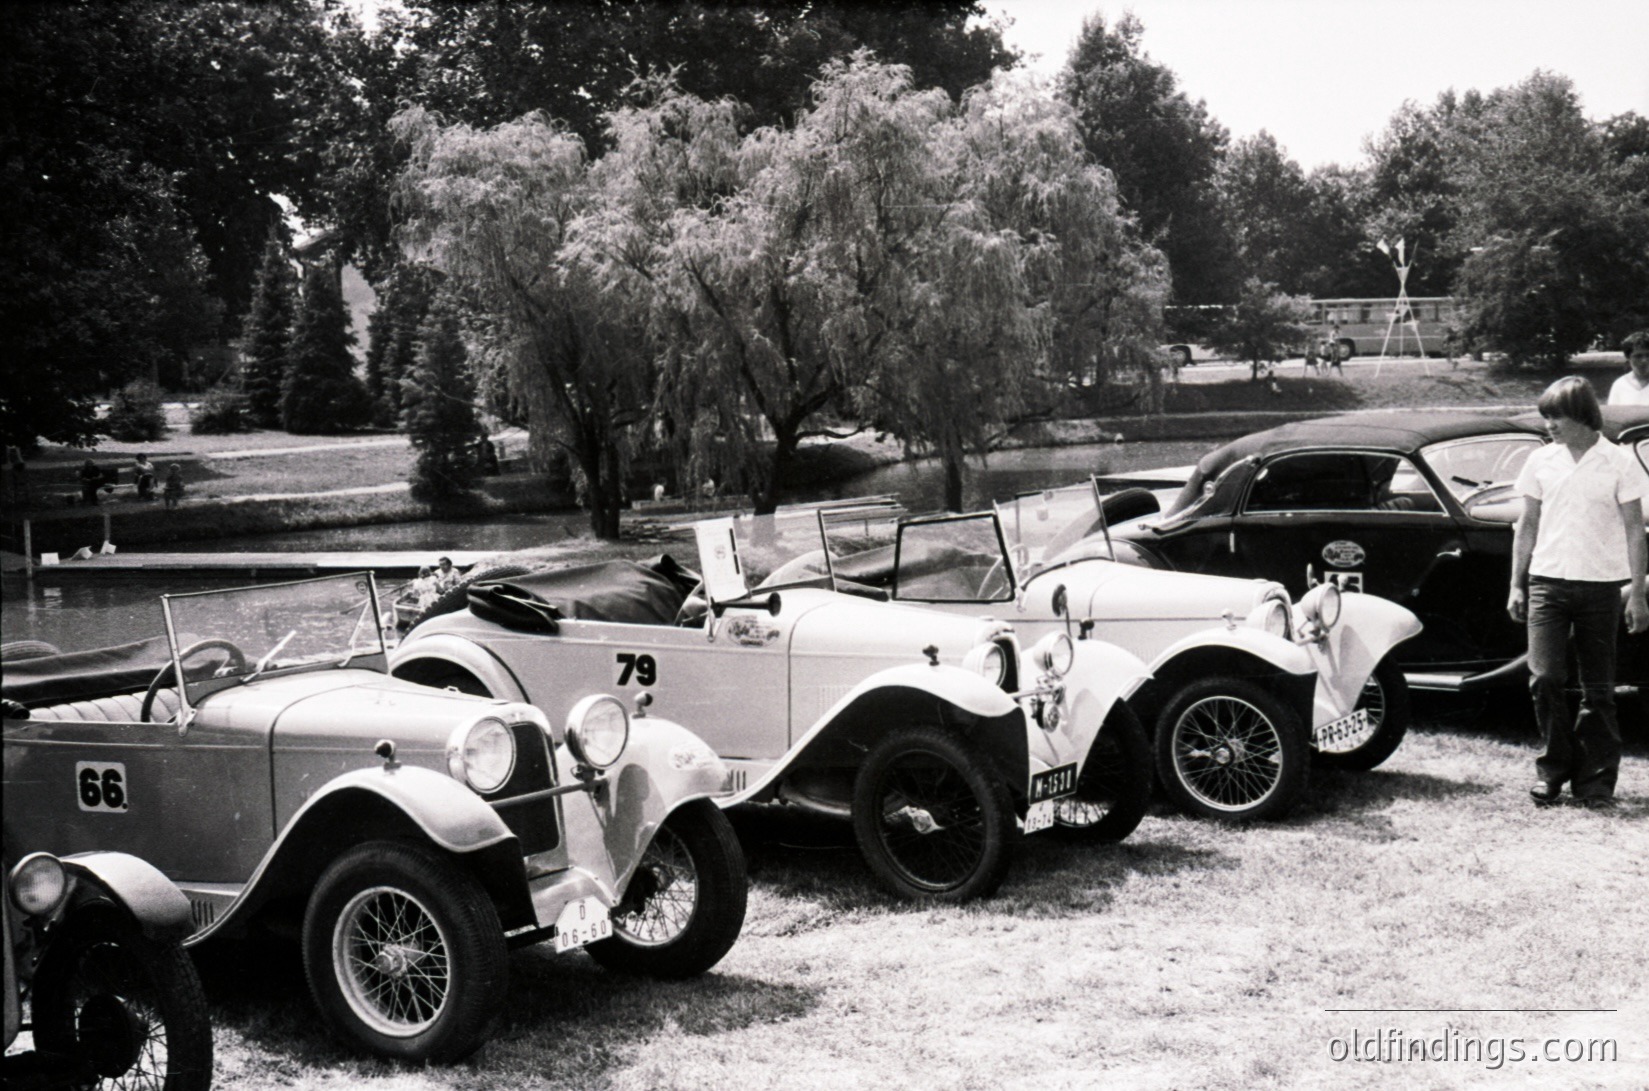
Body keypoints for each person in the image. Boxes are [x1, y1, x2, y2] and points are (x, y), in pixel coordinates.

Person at [1508, 377, 1647, 809]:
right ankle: (1553, 771)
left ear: (1583, 416)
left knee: (1598, 690)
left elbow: (1634, 531)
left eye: (1556, 417)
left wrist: (1638, 593)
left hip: (1602, 588)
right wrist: (1516, 583)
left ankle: (1596, 783)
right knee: (1545, 678)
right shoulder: (1540, 461)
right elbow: (1526, 526)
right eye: (1545, 416)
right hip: (1548, 584)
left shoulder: (1620, 463)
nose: (1548, 425)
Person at [1606, 330, 1649, 406]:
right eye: (1638, 356)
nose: (1644, 360)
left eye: (1648, 355)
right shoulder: (1619, 385)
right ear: (1628, 358)